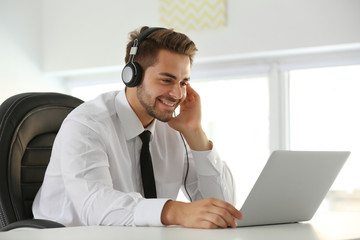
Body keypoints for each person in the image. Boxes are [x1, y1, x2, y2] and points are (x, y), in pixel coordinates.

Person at [32, 26, 242, 229]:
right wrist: (175, 211)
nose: (177, 94)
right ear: (133, 75)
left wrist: (196, 134)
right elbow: (94, 204)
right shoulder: (87, 125)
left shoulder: (174, 129)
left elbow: (223, 208)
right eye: (167, 80)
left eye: (184, 83)